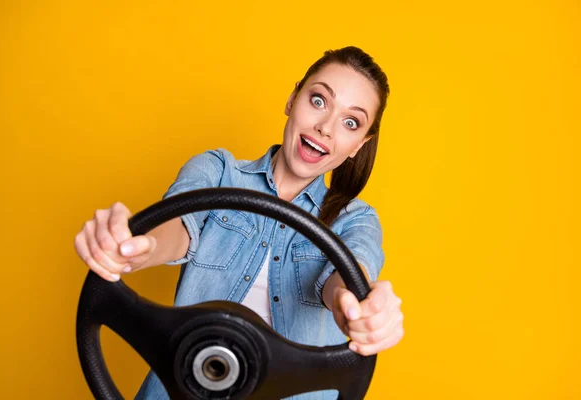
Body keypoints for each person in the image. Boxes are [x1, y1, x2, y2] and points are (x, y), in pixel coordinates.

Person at [74, 46, 404, 400]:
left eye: (350, 122)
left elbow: (348, 279)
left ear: (359, 145)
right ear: (292, 100)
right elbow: (178, 227)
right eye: (319, 100)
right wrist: (134, 247)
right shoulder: (217, 170)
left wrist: (360, 311)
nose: (325, 128)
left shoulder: (356, 219)